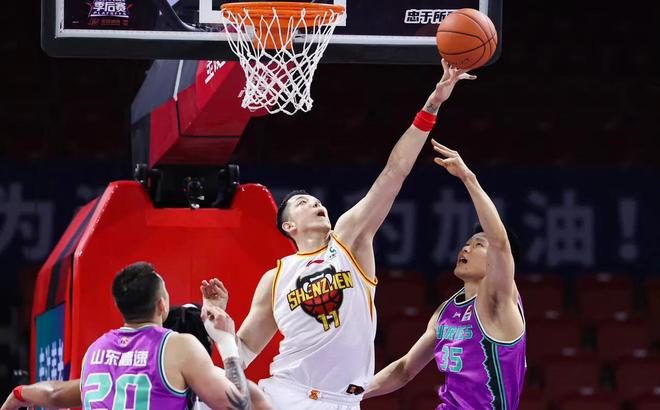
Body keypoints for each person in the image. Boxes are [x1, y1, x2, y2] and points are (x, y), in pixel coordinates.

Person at [201, 59, 476, 410]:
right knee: (209, 395)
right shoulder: (276, 277)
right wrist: (219, 326)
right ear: (289, 226)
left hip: (341, 401)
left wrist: (433, 104)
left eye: (317, 201)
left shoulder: (349, 241)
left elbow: (394, 172)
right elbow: (244, 351)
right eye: (303, 203)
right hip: (286, 393)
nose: (316, 204)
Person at [363, 140, 526, 409]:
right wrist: (353, 393)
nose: (466, 248)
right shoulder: (445, 311)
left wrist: (468, 178)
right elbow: (404, 370)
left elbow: (500, 242)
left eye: (478, 244)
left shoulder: (499, 301)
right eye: (467, 243)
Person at [1, 262, 272, 410]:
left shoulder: (95, 351)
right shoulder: (178, 347)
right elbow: (239, 403)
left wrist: (20, 393)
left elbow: (56, 394)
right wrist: (225, 341)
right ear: (161, 306)